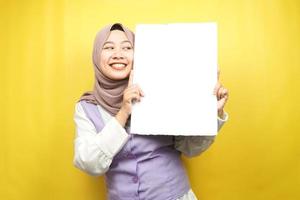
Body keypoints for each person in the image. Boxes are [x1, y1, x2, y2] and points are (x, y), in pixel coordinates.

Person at [73, 23, 229, 200]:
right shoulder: (87, 107)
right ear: (96, 55)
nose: (118, 54)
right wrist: (123, 112)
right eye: (109, 47)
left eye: (127, 47)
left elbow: (190, 149)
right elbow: (88, 163)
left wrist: (208, 113)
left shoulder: (163, 90)